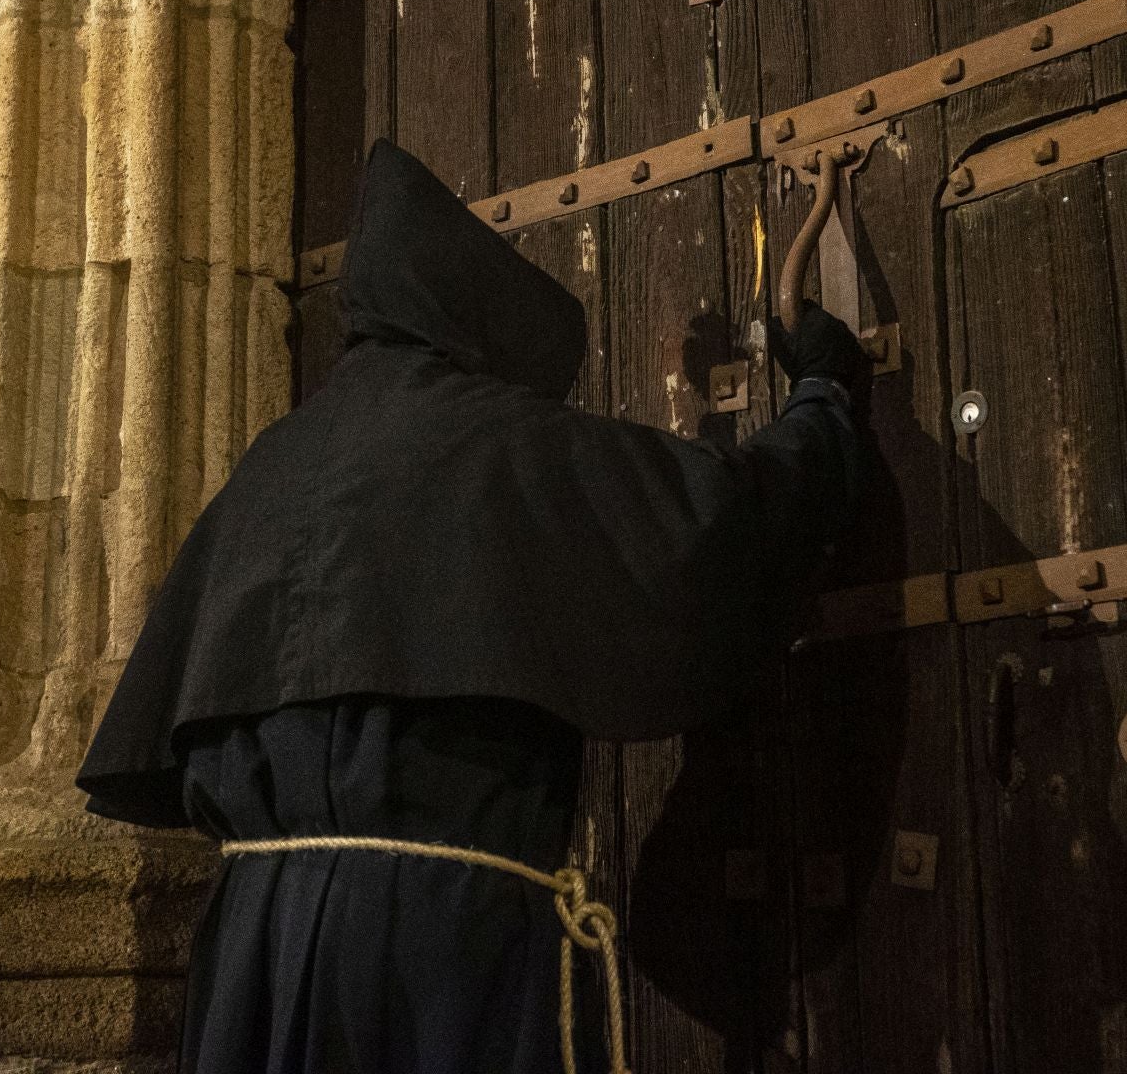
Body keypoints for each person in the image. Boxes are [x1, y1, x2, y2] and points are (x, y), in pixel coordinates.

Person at [76, 140, 871, 1073]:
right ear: (469, 307)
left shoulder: (263, 473)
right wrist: (822, 398)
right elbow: (724, 521)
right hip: (439, 955)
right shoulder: (501, 444)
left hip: (258, 955)